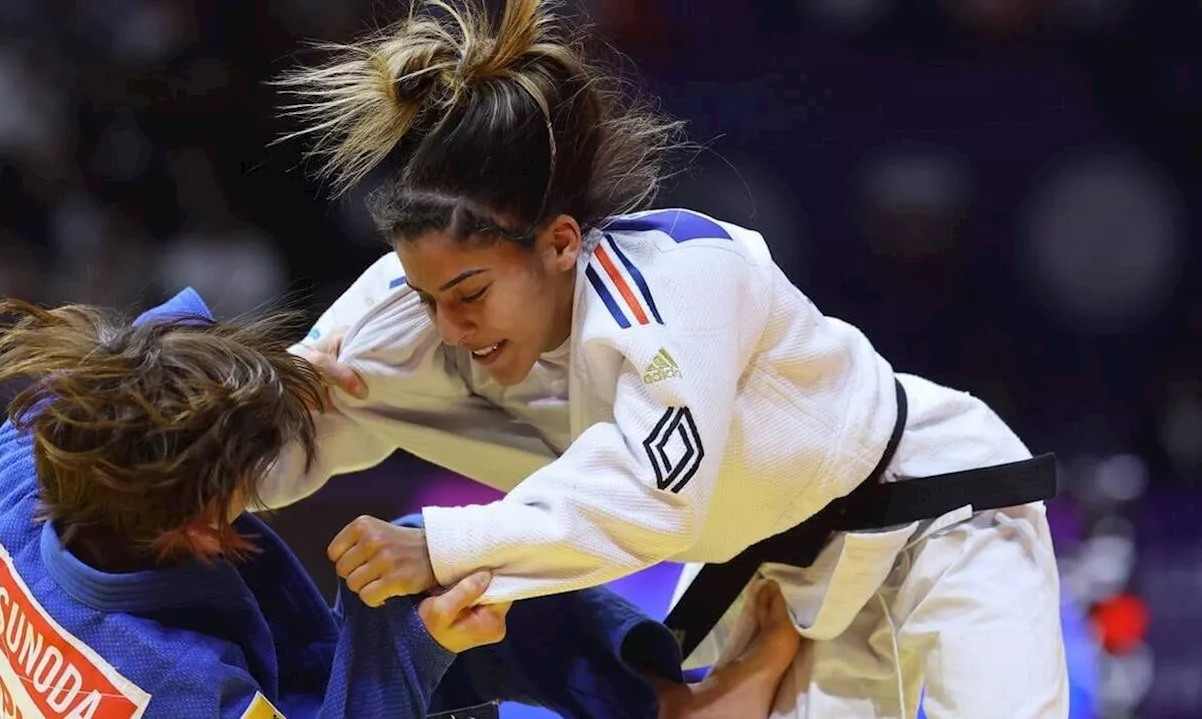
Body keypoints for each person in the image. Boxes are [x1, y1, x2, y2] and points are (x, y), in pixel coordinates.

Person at [264, 1, 1069, 717]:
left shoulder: (679, 274)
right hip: (776, 579)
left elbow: (657, 495)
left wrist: (446, 545)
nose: (449, 322)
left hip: (934, 510)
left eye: (470, 290)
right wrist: (159, 476)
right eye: (425, 292)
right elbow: (261, 436)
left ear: (559, 242)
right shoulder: (406, 310)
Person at [0, 287, 800, 719]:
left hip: (251, 659)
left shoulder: (30, 462)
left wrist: (283, 375)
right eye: (250, 478)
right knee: (423, 583)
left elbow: (139, 352)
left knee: (428, 552)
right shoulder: (174, 684)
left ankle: (666, 697)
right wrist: (419, 638)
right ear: (195, 525)